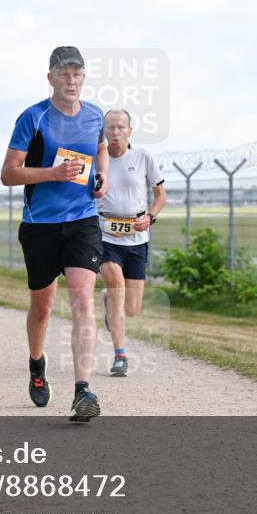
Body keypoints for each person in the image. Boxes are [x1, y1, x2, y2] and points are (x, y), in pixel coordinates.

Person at [0, 46, 108, 423]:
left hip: (82, 220)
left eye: (77, 73)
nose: (71, 80)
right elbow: (9, 174)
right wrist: (51, 173)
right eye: (64, 73)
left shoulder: (96, 115)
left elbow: (100, 150)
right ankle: (36, 364)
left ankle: (83, 391)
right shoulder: (33, 118)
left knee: (82, 298)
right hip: (40, 225)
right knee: (42, 306)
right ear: (50, 78)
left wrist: (101, 176)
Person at [95, 109, 166, 376]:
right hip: (105, 234)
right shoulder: (96, 158)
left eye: (120, 127)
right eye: (110, 127)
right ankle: (120, 355)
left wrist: (150, 216)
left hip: (137, 238)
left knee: (132, 309)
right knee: (116, 283)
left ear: (130, 131)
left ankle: (107, 301)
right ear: (104, 131)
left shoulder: (143, 157)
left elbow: (160, 194)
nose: (115, 132)